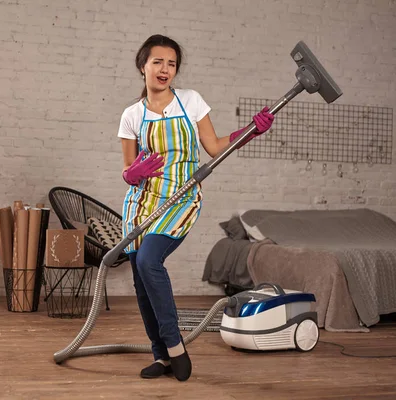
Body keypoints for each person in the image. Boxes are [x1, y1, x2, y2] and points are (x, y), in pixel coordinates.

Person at [117, 34, 274, 381]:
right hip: (142, 202)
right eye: (157, 62)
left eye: (171, 64)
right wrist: (133, 173)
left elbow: (216, 147)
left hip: (181, 197)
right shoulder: (132, 115)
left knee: (148, 260)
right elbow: (128, 170)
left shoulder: (190, 101)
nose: (164, 69)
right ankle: (161, 357)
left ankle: (174, 345)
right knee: (141, 278)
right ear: (142, 66)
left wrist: (251, 130)